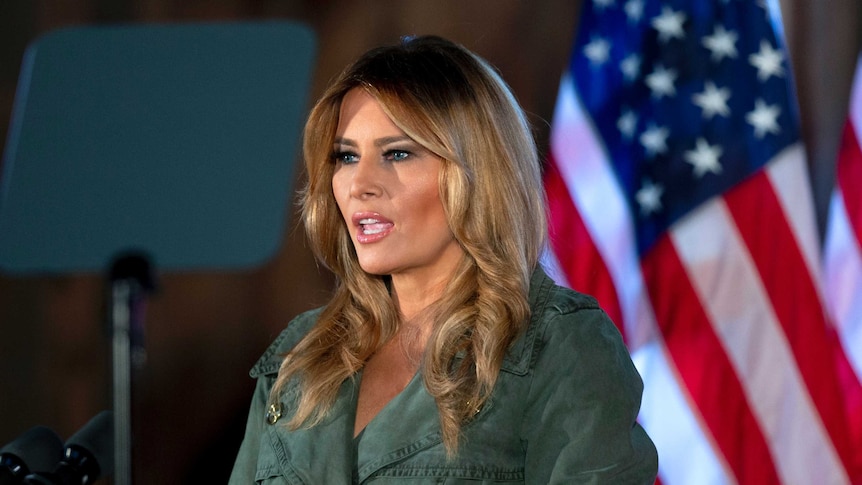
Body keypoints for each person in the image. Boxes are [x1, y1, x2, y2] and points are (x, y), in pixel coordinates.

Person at [229, 35, 658, 484]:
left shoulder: (559, 347)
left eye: (397, 153)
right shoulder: (301, 355)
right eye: (346, 156)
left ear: (476, 172)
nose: (359, 185)